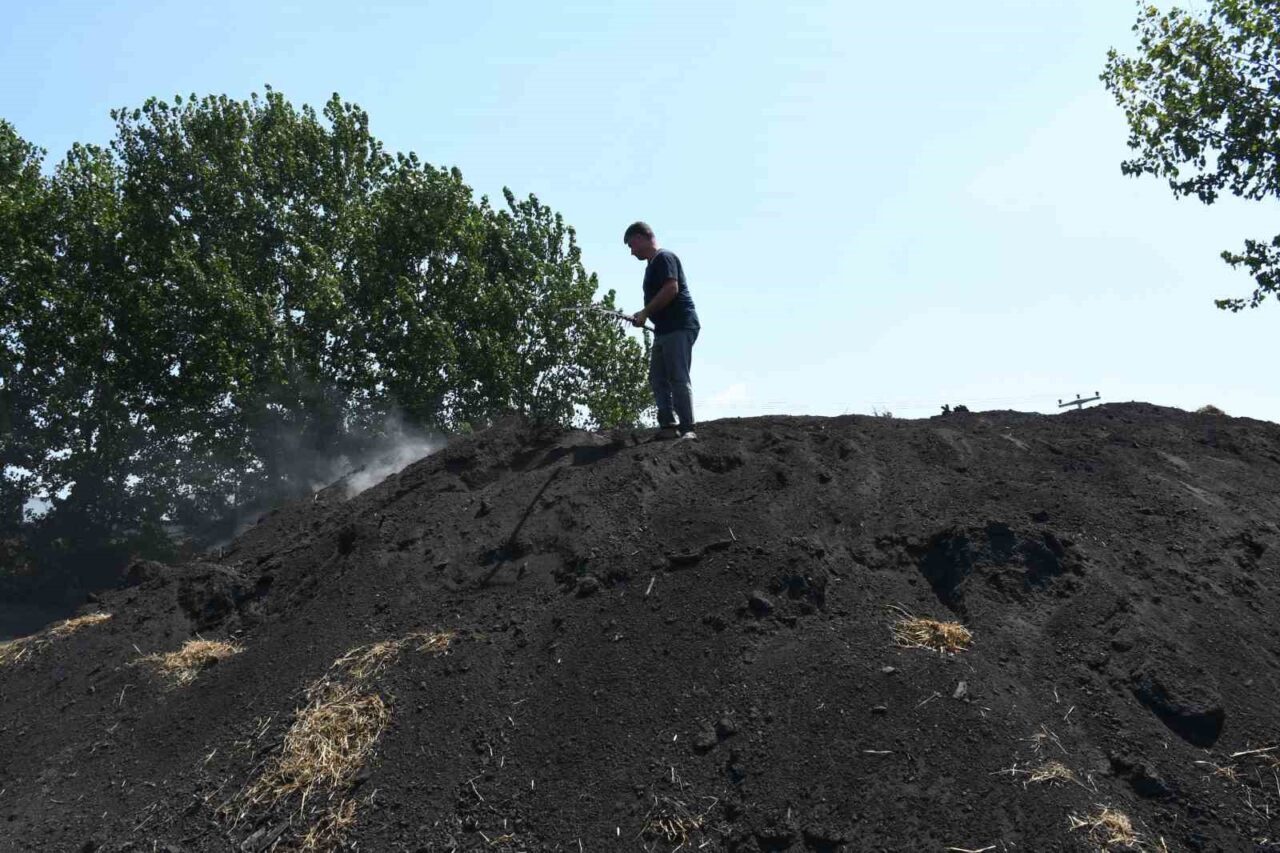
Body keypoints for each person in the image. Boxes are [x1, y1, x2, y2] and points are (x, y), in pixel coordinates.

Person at [623, 221, 701, 440]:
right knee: (657, 377)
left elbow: (671, 288)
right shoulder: (652, 265)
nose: (632, 252)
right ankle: (668, 426)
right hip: (663, 330)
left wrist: (645, 312)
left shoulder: (664, 258)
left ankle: (688, 429)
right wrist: (643, 315)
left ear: (640, 238)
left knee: (677, 375)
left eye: (631, 245)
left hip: (680, 325)